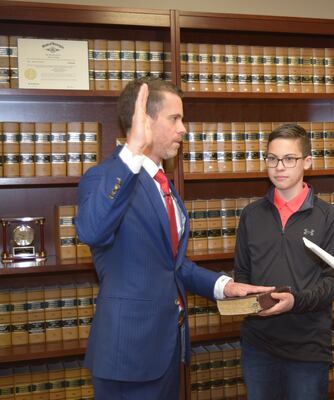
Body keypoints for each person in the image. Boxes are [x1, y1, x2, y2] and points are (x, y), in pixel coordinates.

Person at [75, 77, 273, 399]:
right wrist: (132, 151)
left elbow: (172, 265)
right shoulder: (104, 176)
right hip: (129, 354)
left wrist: (224, 286)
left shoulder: (162, 183)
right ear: (145, 121)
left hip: (168, 348)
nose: (183, 129)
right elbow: (90, 230)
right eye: (175, 118)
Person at [234, 123, 334, 400]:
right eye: (272, 159)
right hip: (258, 344)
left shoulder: (327, 216)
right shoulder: (251, 215)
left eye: (289, 159)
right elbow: (243, 274)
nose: (279, 167)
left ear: (307, 162)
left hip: (307, 346)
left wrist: (296, 300)